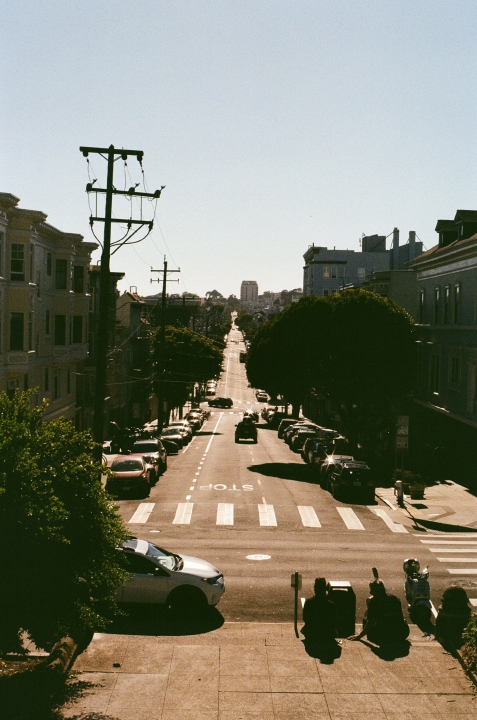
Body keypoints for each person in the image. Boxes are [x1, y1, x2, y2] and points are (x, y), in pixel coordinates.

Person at [348, 579, 409, 646]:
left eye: (371, 590)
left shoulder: (374, 602)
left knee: (365, 620)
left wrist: (359, 636)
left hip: (384, 637)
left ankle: (372, 636)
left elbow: (370, 621)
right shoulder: (395, 598)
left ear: (375, 591)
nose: (370, 592)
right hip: (402, 634)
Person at [301, 577, 338, 644]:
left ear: (315, 589)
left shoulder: (309, 602)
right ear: (325, 590)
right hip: (327, 634)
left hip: (312, 633)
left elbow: (305, 618)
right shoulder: (331, 605)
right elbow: (334, 621)